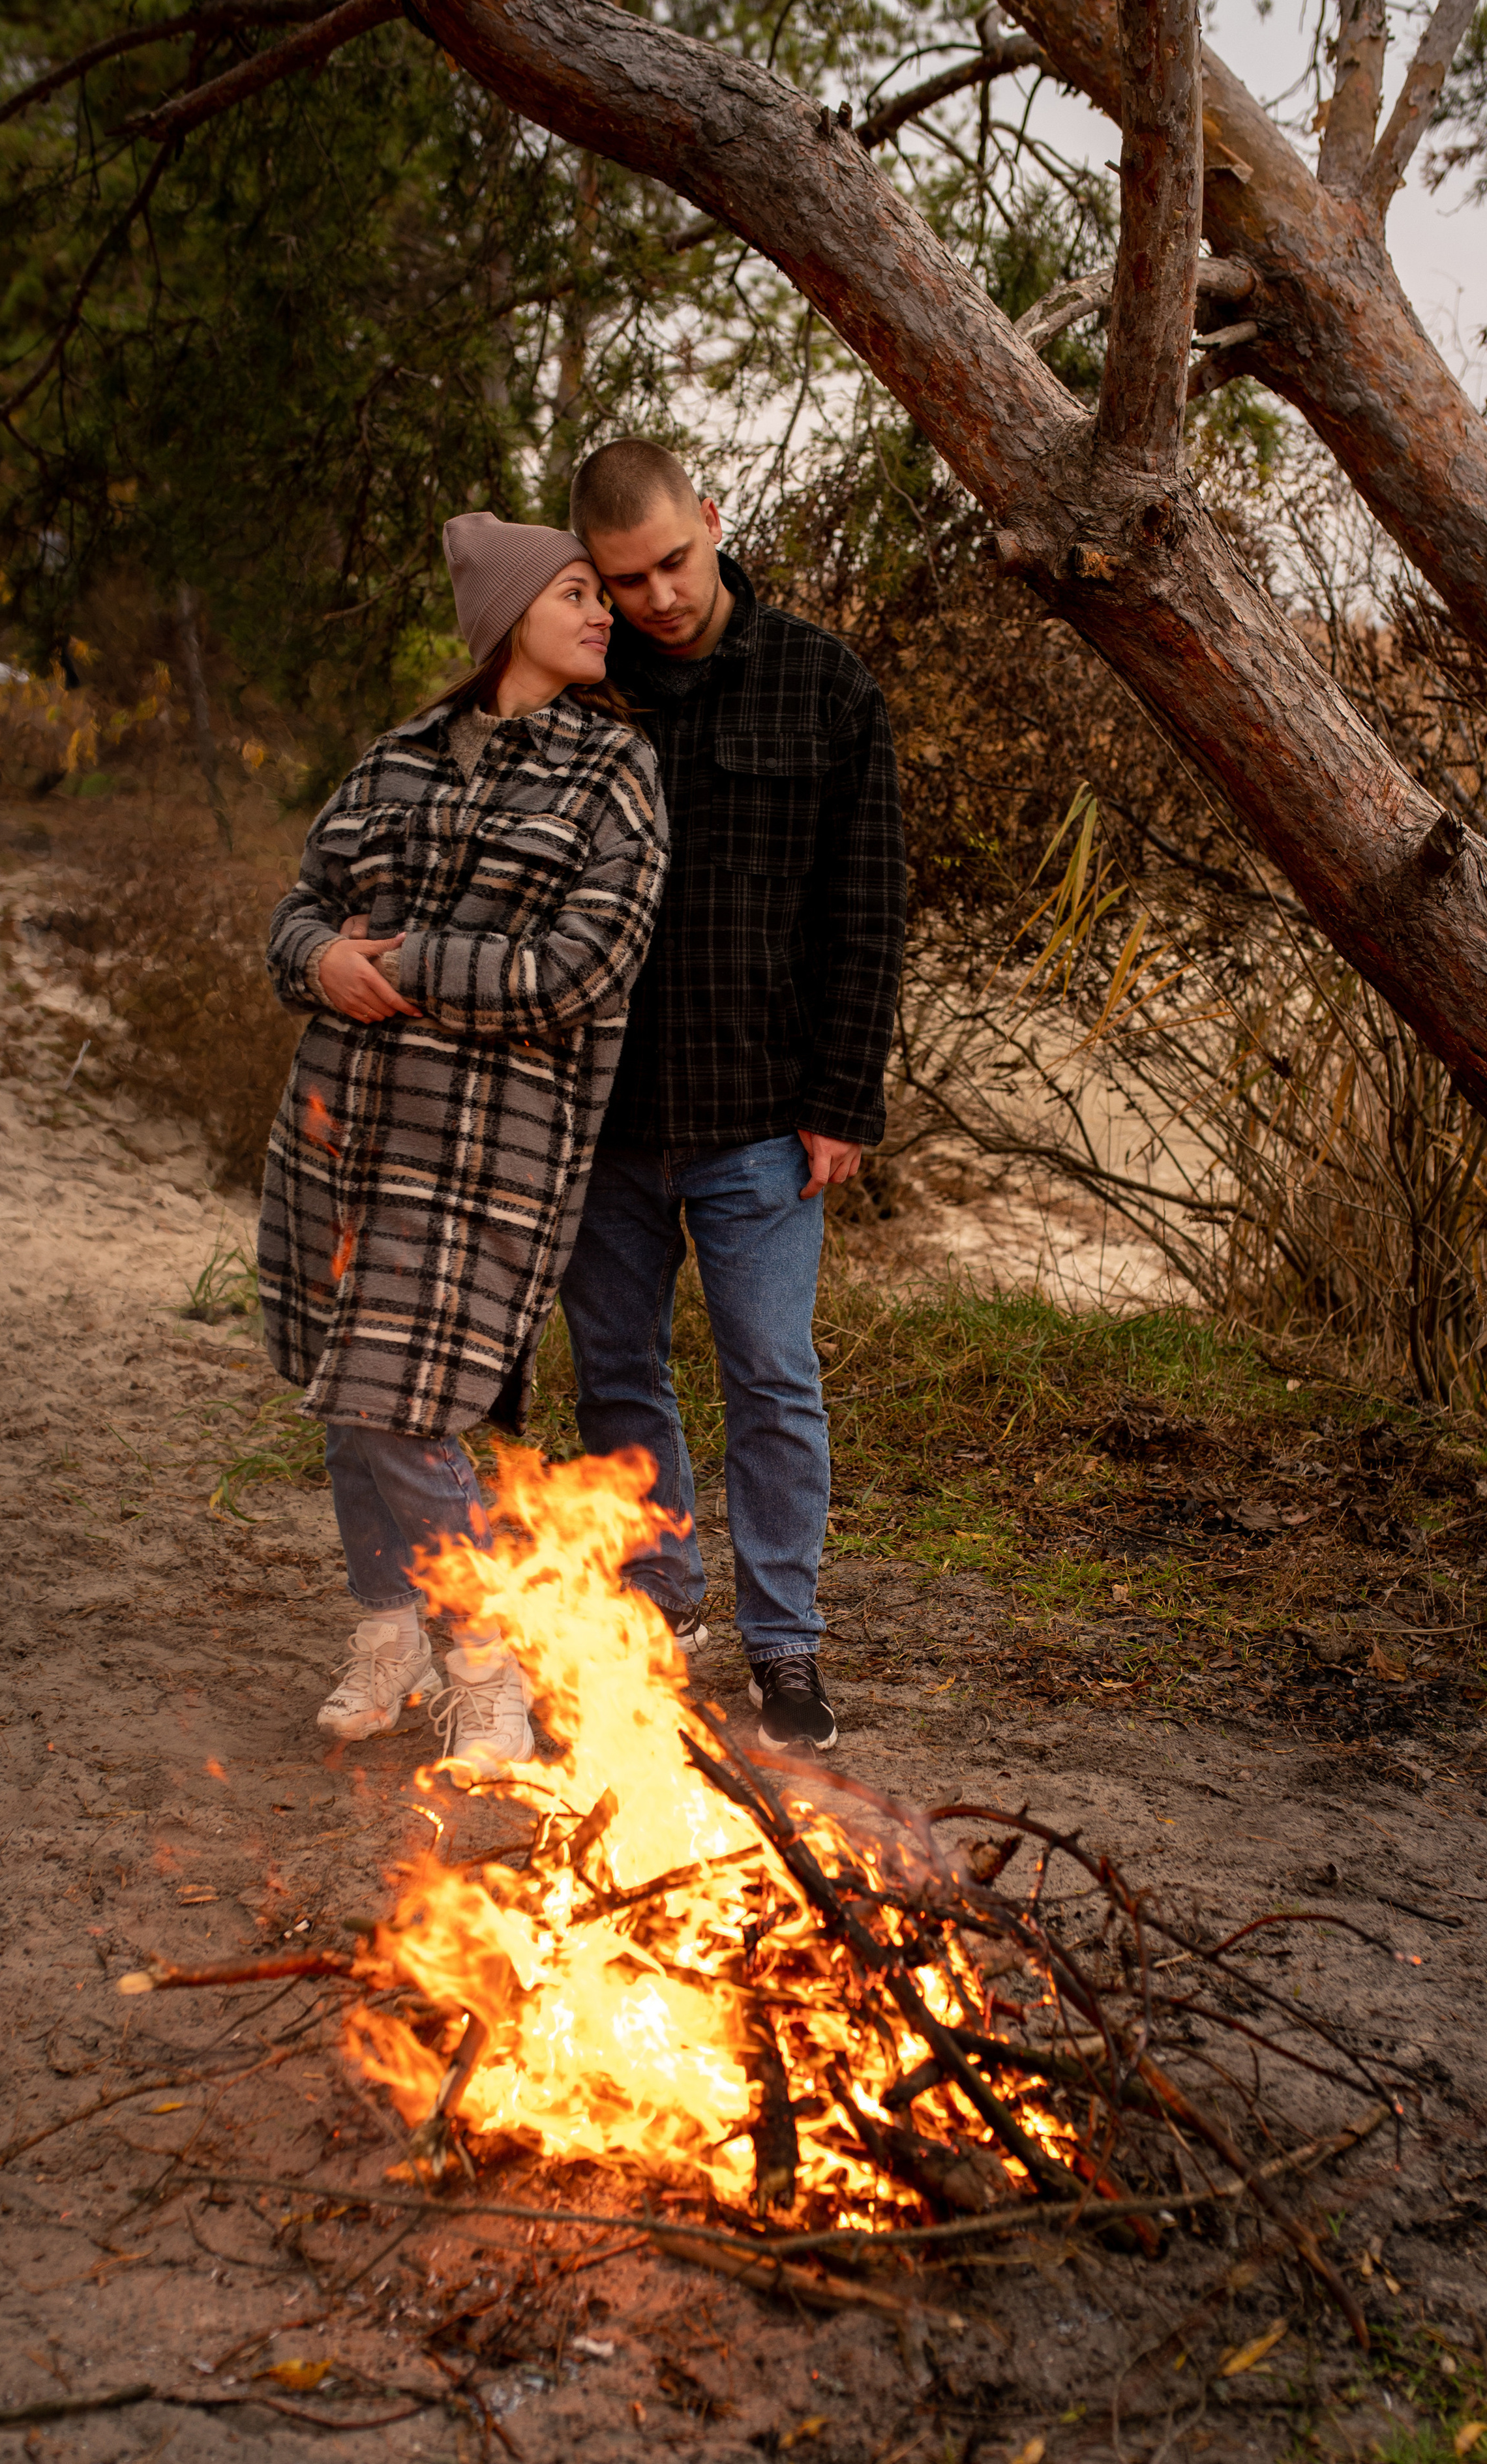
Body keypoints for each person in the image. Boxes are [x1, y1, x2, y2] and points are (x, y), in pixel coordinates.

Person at [258, 515, 667, 1786]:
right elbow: (299, 909)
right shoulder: (392, 762)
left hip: (488, 1146)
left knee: (400, 1398)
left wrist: (404, 967)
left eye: (604, 595)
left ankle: (487, 1668)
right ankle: (389, 1632)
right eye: (573, 592)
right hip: (344, 1124)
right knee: (345, 1387)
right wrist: (320, 957)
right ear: (504, 618)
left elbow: (581, 968)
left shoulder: (614, 773)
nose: (602, 613)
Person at [561, 439, 906, 1755]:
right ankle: (660, 1617)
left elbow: (863, 908)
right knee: (617, 1377)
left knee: (770, 1373)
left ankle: (784, 1644)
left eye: (672, 563)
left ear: (712, 522)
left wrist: (842, 1101)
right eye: (622, 578)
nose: (653, 597)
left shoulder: (823, 685)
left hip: (763, 1117)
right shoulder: (580, 700)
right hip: (600, 1122)